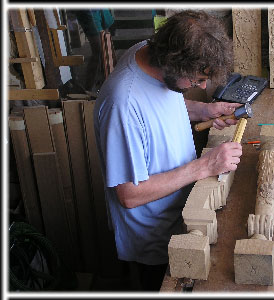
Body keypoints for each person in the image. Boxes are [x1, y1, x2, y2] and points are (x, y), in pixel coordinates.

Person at [93, 10, 242, 291]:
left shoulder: (151, 55)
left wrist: (204, 110)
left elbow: (160, 107)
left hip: (183, 212)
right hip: (157, 240)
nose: (203, 86)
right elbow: (129, 194)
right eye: (197, 81)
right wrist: (205, 166)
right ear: (174, 65)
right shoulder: (122, 105)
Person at [74, 9, 114, 93]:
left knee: (106, 46)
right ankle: (88, 88)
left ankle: (104, 83)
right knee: (98, 51)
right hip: (88, 12)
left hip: (100, 10)